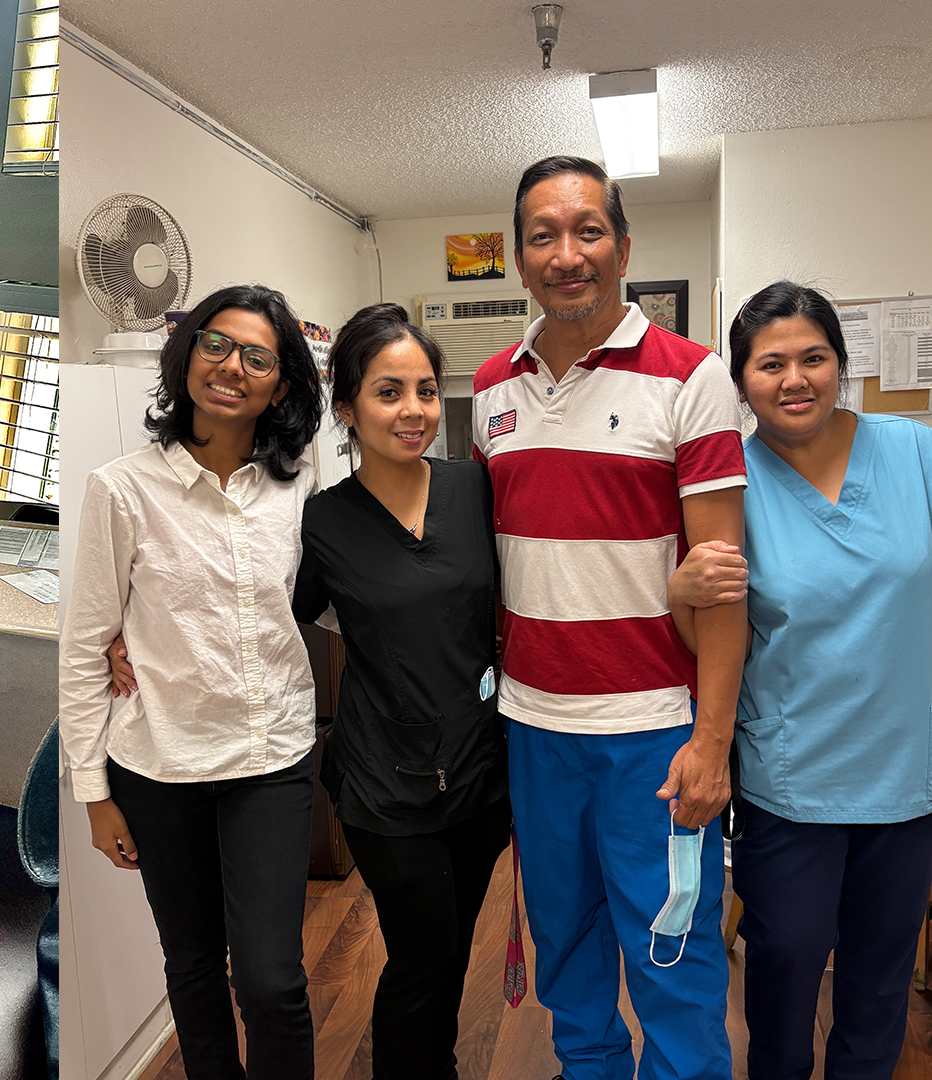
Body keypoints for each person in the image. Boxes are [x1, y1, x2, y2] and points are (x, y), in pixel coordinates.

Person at [669, 282, 932, 1080]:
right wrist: (684, 599)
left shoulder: (922, 455)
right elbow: (717, 638)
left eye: (813, 357)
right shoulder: (730, 485)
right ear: (741, 381)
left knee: (880, 976)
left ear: (840, 364)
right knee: (783, 959)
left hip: (909, 769)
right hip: (791, 775)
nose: (795, 379)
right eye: (770, 364)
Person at [471, 155, 747, 1080]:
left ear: (623, 246)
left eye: (588, 230)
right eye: (543, 235)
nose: (567, 253)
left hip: (652, 737)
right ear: (518, 258)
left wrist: (712, 742)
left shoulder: (691, 377)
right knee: (567, 953)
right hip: (535, 729)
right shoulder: (489, 392)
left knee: (674, 956)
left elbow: (721, 584)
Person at [60, 284, 325, 1080]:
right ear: (186, 355)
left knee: (274, 982)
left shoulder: (298, 483)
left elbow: (317, 599)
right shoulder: (122, 489)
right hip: (160, 768)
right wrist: (93, 793)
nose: (231, 366)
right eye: (215, 343)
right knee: (195, 966)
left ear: (280, 384)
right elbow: (84, 647)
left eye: (257, 357)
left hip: (271, 758)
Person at [294, 304, 510, 1080]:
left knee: (448, 951)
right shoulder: (324, 522)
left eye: (425, 390)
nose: (413, 411)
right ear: (346, 408)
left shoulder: (475, 490)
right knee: (423, 953)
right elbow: (268, 627)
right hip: (384, 785)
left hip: (482, 772)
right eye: (389, 392)